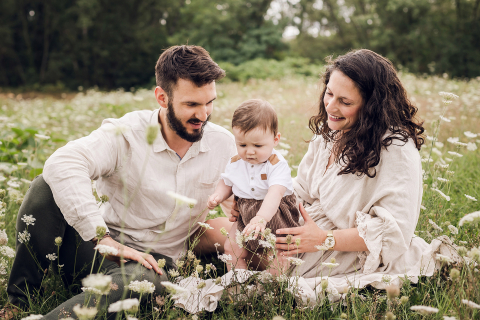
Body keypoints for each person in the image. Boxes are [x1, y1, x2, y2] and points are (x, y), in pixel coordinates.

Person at [3, 45, 236, 319]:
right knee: (45, 186)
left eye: (210, 102)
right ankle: (19, 300)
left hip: (154, 267)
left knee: (140, 278)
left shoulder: (223, 144)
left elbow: (246, 200)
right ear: (162, 97)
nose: (204, 115)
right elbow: (62, 162)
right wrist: (103, 238)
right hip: (92, 252)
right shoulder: (126, 134)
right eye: (192, 105)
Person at [225, 49, 458, 297]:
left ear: (372, 107)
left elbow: (394, 233)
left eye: (345, 102)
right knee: (234, 236)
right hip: (307, 227)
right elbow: (301, 188)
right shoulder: (331, 132)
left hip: (348, 247)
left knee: (267, 265)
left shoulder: (396, 149)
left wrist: (323, 239)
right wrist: (256, 202)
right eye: (329, 93)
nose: (330, 107)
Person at [207, 100, 299, 273]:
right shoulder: (236, 161)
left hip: (275, 213)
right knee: (232, 248)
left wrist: (262, 218)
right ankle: (238, 285)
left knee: (279, 253)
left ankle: (272, 288)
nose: (249, 152)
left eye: (257, 146)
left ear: (275, 139)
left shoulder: (276, 164)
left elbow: (275, 192)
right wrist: (218, 195)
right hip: (246, 213)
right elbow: (227, 181)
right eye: (242, 145)